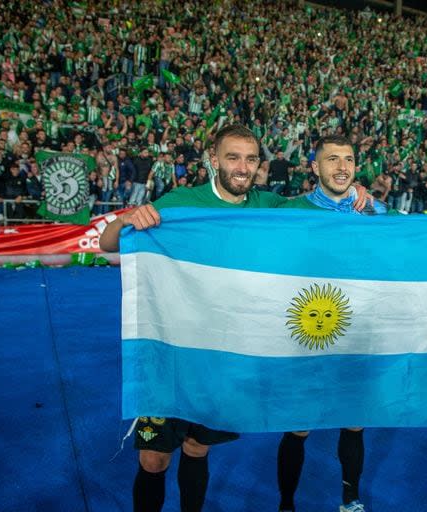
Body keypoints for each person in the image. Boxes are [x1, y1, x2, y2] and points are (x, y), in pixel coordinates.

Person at [99, 125, 288, 512]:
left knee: (197, 448)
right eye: (233, 157)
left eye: (251, 159)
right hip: (170, 354)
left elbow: (329, 219)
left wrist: (357, 195)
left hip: (225, 356)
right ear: (214, 159)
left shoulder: (270, 207)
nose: (242, 167)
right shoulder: (183, 202)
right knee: (154, 458)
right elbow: (108, 244)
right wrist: (129, 219)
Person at [276, 135, 386, 512]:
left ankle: (350, 498)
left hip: (355, 333)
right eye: (333, 160)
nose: (342, 167)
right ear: (315, 168)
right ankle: (287, 504)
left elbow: (419, 237)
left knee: (354, 422)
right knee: (299, 425)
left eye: (349, 160)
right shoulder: (290, 210)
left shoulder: (374, 212)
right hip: (308, 331)